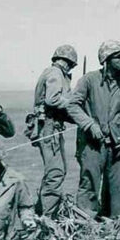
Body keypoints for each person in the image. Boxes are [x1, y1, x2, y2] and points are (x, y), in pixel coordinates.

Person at [66, 40, 120, 217]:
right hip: (92, 143)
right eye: (119, 56)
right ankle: (85, 223)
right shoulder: (89, 80)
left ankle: (116, 224)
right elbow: (73, 106)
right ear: (107, 59)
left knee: (118, 188)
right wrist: (89, 124)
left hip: (118, 143)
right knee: (89, 183)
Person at [30, 45, 77, 216]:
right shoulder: (56, 74)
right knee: (55, 173)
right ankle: (47, 217)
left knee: (57, 170)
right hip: (49, 129)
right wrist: (75, 104)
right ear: (68, 62)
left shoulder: (50, 72)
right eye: (71, 65)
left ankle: (42, 210)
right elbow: (52, 100)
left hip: (51, 127)